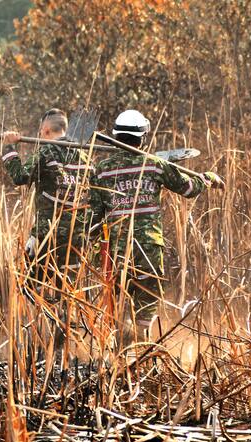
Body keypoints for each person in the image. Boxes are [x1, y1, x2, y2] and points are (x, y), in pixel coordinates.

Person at [89, 109, 223, 339]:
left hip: (116, 250)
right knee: (147, 298)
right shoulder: (155, 165)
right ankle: (140, 339)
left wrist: (91, 249)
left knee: (118, 299)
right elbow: (189, 189)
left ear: (116, 135)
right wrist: (208, 178)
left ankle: (122, 340)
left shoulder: (101, 170)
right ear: (143, 137)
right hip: (148, 249)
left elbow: (94, 215)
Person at [0, 109, 93, 302]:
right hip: (76, 239)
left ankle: (48, 314)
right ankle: (63, 317)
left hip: (46, 237)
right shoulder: (85, 158)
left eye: (41, 132)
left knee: (29, 288)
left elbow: (20, 177)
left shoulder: (46, 151)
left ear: (47, 130)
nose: (40, 135)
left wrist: (9, 148)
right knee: (69, 293)